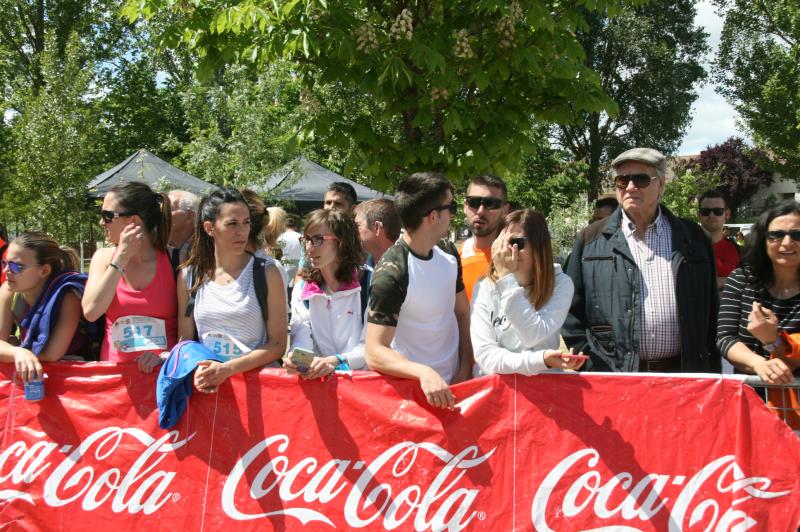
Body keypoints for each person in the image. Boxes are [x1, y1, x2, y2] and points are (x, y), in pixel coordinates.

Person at [562, 147, 720, 373]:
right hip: (615, 377)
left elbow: (711, 310)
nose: (630, 187)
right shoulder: (590, 239)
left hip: (684, 376)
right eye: (622, 180)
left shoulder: (693, 238)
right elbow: (570, 311)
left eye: (640, 179)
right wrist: (590, 362)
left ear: (661, 184)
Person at [365, 172, 473, 409]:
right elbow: (374, 351)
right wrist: (422, 373)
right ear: (433, 216)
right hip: (412, 399)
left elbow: (463, 313)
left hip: (457, 390)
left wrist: (465, 368)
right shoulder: (392, 272)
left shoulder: (448, 252)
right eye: (451, 207)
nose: (454, 215)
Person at [177, 188, 288, 393]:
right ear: (210, 228)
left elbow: (278, 344)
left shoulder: (267, 272)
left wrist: (228, 369)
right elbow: (185, 341)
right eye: (232, 224)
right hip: (208, 394)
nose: (242, 232)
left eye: (246, 223)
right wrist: (202, 368)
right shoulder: (189, 275)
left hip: (258, 392)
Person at [472, 210, 584, 375]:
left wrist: (506, 280)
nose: (509, 250)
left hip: (543, 390)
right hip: (500, 390)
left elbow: (533, 335)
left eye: (517, 242)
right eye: (502, 243)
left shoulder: (560, 284)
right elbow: (486, 356)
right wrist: (540, 360)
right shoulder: (485, 286)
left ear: (538, 246)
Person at [82, 182, 177, 372]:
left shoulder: (176, 259)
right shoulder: (103, 258)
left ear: (133, 221)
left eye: (107, 216)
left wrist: (164, 357)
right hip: (115, 379)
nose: (101, 222)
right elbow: (91, 312)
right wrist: (121, 258)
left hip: (164, 376)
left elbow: (189, 332)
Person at [717, 201, 800, 384]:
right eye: (776, 235)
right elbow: (725, 337)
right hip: (748, 399)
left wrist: (772, 340)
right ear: (763, 239)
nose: (787, 242)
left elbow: (795, 361)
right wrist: (759, 364)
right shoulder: (741, 279)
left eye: (797, 235)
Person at [286, 209, 368, 379]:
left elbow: (371, 347)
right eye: (306, 240)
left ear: (342, 241)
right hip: (319, 387)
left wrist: (336, 361)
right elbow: (301, 339)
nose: (309, 248)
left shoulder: (369, 284)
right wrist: (299, 362)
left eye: (317, 239)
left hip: (363, 388)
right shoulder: (302, 288)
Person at [0, 233, 86, 382]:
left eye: (16, 266)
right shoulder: (8, 290)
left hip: (72, 376)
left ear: (44, 271)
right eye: (4, 263)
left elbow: (52, 353)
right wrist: (15, 352)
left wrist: (16, 348)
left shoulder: (68, 295)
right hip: (32, 373)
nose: (6, 271)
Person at [459, 174, 509, 303]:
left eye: (490, 204)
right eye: (473, 202)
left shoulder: (513, 258)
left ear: (505, 210)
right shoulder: (453, 256)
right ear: (465, 206)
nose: (480, 211)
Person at [698, 189, 740, 289]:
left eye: (718, 211)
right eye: (706, 211)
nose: (711, 215)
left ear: (727, 214)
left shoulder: (737, 251)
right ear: (699, 215)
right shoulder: (685, 249)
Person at [354, 198, 402, 265]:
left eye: (358, 226)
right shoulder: (363, 267)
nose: (353, 231)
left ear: (377, 228)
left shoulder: (404, 270)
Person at [167, 190, 200, 269]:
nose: (162, 212)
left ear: (189, 216)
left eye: (169, 208)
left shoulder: (202, 251)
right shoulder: (156, 244)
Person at [279, 216, 302, 300]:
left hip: (285, 262)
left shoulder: (281, 237)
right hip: (299, 263)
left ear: (285, 226)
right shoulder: (300, 236)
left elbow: (276, 253)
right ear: (295, 226)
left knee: (283, 285)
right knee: (298, 286)